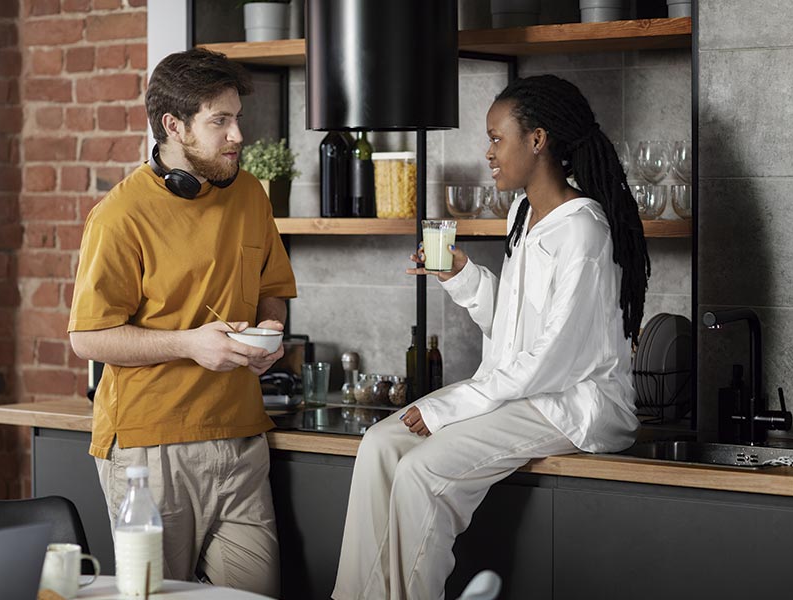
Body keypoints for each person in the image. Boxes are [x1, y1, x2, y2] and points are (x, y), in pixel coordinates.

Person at [332, 74, 649, 600]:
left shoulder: (583, 230)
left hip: (571, 403)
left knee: (422, 472)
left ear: (538, 139)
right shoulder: (524, 214)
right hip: (524, 391)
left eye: (497, 138)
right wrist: (463, 276)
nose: (488, 152)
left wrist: (451, 407)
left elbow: (554, 357)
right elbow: (513, 334)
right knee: (380, 445)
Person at [68, 48, 296, 597]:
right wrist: (190, 344)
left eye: (237, 118)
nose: (238, 135)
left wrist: (270, 331)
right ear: (173, 126)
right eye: (220, 121)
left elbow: (272, 290)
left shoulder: (250, 195)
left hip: (241, 438)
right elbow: (88, 337)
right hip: (151, 449)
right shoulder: (120, 215)